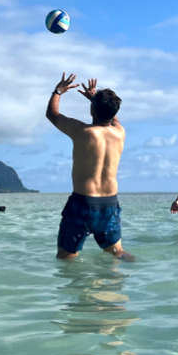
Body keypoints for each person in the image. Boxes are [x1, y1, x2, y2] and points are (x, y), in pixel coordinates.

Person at [46, 73, 131, 260]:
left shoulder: (83, 132)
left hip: (83, 203)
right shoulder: (120, 133)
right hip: (109, 204)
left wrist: (58, 91)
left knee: (66, 258)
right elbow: (113, 117)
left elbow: (52, 115)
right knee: (117, 253)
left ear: (92, 111)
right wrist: (94, 99)